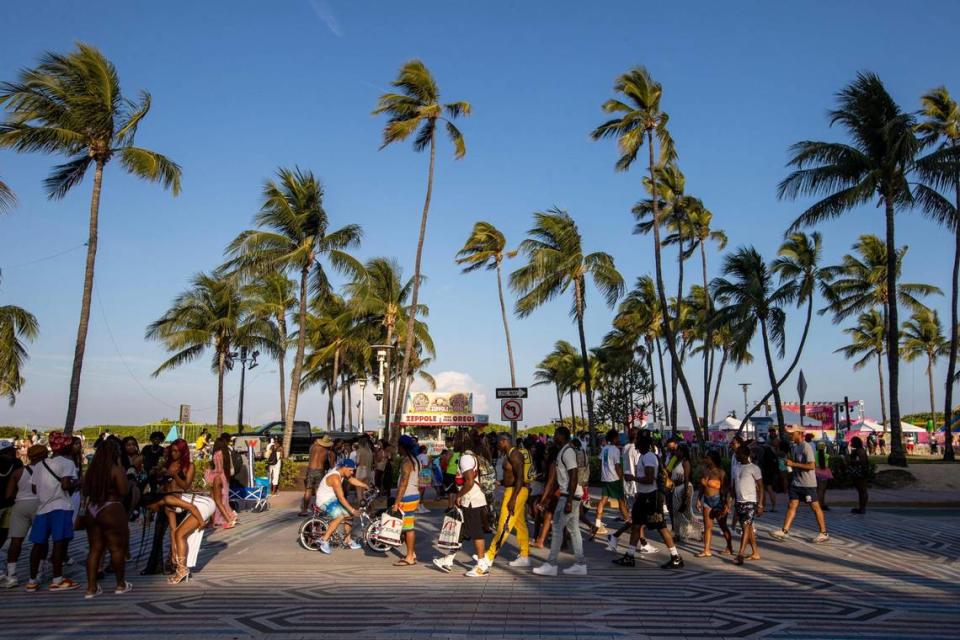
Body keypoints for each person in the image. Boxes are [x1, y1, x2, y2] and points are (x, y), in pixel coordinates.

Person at [612, 432, 684, 569]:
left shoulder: (649, 457)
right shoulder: (644, 456)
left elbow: (650, 479)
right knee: (636, 525)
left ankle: (675, 557)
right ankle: (629, 555)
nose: (636, 443)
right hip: (644, 496)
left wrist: (632, 478)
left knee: (661, 527)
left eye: (638, 440)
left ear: (643, 443)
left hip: (652, 498)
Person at [26, 431, 80, 591]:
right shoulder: (67, 463)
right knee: (59, 542)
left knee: (38, 545)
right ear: (65, 447)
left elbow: (34, 488)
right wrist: (77, 482)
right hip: (60, 507)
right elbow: (65, 485)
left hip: (42, 508)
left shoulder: (40, 464)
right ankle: (57, 579)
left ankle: (32, 580)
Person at [533, 426, 587, 576]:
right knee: (574, 530)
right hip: (570, 496)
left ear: (561, 436)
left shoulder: (568, 452)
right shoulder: (563, 451)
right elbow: (553, 479)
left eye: (556, 434)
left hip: (568, 496)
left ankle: (551, 564)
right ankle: (580, 564)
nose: (553, 437)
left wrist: (569, 499)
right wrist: (545, 499)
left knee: (557, 529)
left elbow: (574, 475)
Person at [82, 438, 133, 598]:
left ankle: (91, 588)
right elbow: (123, 491)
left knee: (95, 549)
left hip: (92, 509)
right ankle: (120, 584)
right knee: (116, 548)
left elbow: (85, 490)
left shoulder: (91, 470)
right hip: (111, 507)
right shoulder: (116, 469)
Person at [432, 432, 488, 574]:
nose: (452, 443)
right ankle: (448, 559)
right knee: (459, 532)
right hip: (470, 499)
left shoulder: (465, 458)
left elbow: (469, 481)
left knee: (476, 532)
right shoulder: (471, 456)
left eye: (455, 440)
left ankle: (482, 565)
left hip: (471, 500)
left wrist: (458, 495)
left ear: (461, 442)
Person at [477, 433, 531, 576]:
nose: (497, 446)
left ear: (504, 441)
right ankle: (524, 555)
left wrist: (513, 499)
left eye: (498, 444)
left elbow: (519, 478)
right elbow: (512, 477)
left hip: (516, 492)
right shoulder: (509, 455)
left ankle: (489, 557)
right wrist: (500, 482)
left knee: (504, 525)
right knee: (520, 525)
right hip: (513, 490)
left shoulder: (515, 455)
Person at [770, 430, 829, 543]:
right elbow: (797, 463)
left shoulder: (806, 447)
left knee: (815, 507)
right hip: (797, 482)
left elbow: (812, 466)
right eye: (790, 434)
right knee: (792, 505)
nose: (790, 435)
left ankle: (823, 532)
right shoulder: (796, 447)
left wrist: (794, 464)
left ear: (800, 434)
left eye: (793, 434)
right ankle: (785, 531)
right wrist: (790, 465)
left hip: (808, 484)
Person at [3, 445, 47, 589]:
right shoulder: (45, 471)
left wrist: (21, 496)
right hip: (39, 505)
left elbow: (9, 495)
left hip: (20, 506)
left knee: (16, 541)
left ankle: (11, 575)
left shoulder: (18, 472)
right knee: (40, 541)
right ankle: (38, 573)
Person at [315, 459, 368, 554]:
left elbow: (352, 480)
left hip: (331, 499)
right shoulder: (335, 477)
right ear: (344, 468)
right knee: (340, 516)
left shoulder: (342, 473)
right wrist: (352, 510)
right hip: (324, 501)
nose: (352, 472)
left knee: (349, 516)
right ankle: (324, 540)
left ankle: (347, 540)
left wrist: (364, 485)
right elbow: (341, 498)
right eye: (351, 470)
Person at [696, 451, 733, 557]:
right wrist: (698, 499)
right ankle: (706, 550)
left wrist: (727, 504)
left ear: (712, 460)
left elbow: (726, 490)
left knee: (723, 526)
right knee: (707, 526)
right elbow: (702, 487)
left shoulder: (721, 473)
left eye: (707, 458)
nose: (705, 460)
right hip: (707, 501)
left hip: (718, 501)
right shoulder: (705, 471)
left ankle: (729, 547)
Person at [392, 436, 421, 566]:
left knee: (408, 528)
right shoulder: (415, 460)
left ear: (403, 447)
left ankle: (409, 556)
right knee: (405, 527)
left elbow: (403, 483)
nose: (397, 448)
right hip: (413, 494)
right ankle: (412, 553)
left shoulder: (406, 462)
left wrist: (396, 502)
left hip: (407, 496)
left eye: (399, 445)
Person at [595, 429, 630, 537]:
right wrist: (621, 478)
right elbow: (617, 466)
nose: (619, 439)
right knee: (621, 501)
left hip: (605, 478)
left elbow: (600, 461)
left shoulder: (604, 448)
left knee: (603, 499)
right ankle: (628, 521)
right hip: (614, 478)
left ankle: (597, 522)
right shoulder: (615, 449)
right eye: (617, 437)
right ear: (614, 438)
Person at [732, 446, 763, 565]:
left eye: (738, 453)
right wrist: (730, 501)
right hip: (739, 502)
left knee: (745, 527)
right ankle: (755, 552)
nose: (736, 455)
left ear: (744, 455)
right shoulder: (736, 468)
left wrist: (760, 504)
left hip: (750, 502)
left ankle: (740, 554)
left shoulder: (754, 468)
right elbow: (733, 486)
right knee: (748, 529)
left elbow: (761, 487)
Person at [204, 435, 236, 529]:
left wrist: (208, 472)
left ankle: (228, 520)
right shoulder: (225, 453)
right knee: (216, 499)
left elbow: (217, 469)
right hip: (224, 477)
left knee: (216, 500)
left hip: (217, 477)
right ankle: (212, 521)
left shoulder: (217, 454)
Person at [666, 442, 695, 542]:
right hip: (675, 488)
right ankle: (677, 534)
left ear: (682, 452)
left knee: (687, 512)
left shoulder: (685, 462)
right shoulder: (675, 461)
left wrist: (686, 493)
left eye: (678, 450)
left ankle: (699, 529)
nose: (676, 452)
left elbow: (686, 478)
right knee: (675, 513)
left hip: (684, 488)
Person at [531, 443, 559, 549]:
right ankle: (541, 538)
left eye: (548, 452)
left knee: (545, 515)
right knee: (548, 516)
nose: (546, 454)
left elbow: (550, 481)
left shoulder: (552, 463)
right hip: (554, 492)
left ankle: (541, 539)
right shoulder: (553, 463)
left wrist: (544, 498)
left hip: (552, 492)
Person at [301, 435, 335, 516]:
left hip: (310, 470)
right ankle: (319, 510)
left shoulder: (312, 447)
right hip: (320, 471)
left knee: (308, 490)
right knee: (318, 491)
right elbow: (331, 465)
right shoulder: (327, 451)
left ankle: (304, 510)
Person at [0, 441, 23, 552]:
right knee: (4, 531)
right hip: (9, 502)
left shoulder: (17, 463)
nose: (14, 451)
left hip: (9, 504)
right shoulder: (17, 463)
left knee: (5, 531)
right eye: (11, 450)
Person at [848, 436, 869, 514]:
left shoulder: (860, 451)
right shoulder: (858, 450)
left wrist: (851, 461)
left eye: (852, 442)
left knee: (862, 490)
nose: (851, 443)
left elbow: (862, 462)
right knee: (861, 491)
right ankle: (861, 507)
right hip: (859, 472)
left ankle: (862, 508)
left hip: (860, 473)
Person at [759, 435, 780, 512]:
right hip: (771, 472)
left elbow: (764, 461)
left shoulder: (768, 450)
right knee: (768, 488)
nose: (778, 442)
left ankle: (766, 506)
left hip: (767, 472)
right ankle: (771, 506)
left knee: (766, 488)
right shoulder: (774, 450)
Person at [355, 436, 374, 504]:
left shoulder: (359, 450)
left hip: (360, 470)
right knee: (364, 491)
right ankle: (366, 506)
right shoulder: (369, 451)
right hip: (368, 471)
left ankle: (360, 506)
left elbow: (357, 462)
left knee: (359, 491)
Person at [814, 441, 832, 510]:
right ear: (824, 447)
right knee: (822, 490)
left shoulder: (815, 454)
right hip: (825, 472)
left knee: (819, 490)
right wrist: (829, 447)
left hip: (816, 472)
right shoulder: (826, 455)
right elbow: (832, 454)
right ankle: (821, 505)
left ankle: (821, 504)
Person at [416, 445, 432, 513]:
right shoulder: (425, 456)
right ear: (423, 450)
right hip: (424, 473)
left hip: (419, 473)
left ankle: (421, 505)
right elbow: (425, 466)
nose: (427, 451)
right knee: (422, 491)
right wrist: (430, 461)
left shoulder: (418, 456)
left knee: (421, 490)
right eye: (426, 449)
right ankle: (419, 506)